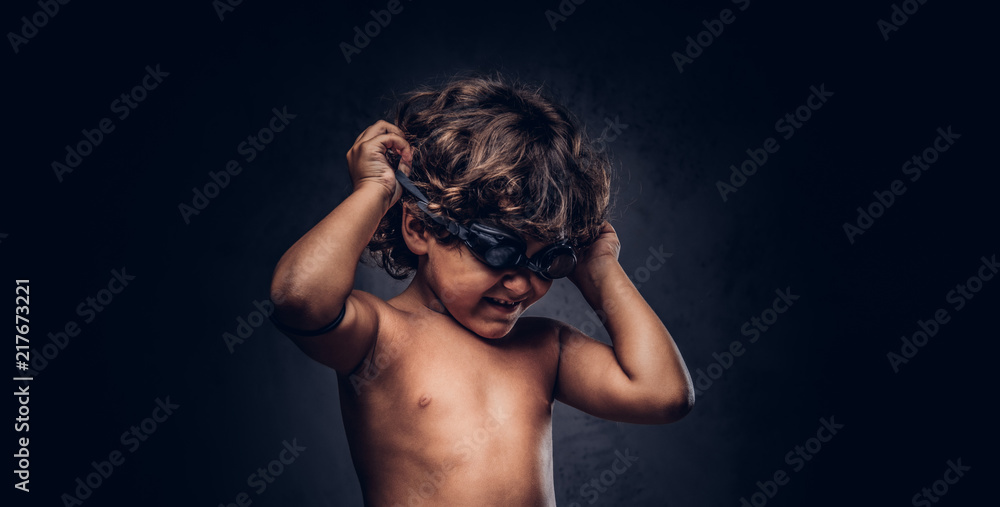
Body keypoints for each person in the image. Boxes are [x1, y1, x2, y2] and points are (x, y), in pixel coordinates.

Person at [269, 74, 694, 506]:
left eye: (549, 261)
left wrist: (600, 269)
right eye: (499, 251)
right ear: (420, 228)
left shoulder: (546, 347)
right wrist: (376, 190)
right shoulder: (379, 337)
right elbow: (298, 297)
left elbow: (663, 395)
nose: (523, 283)